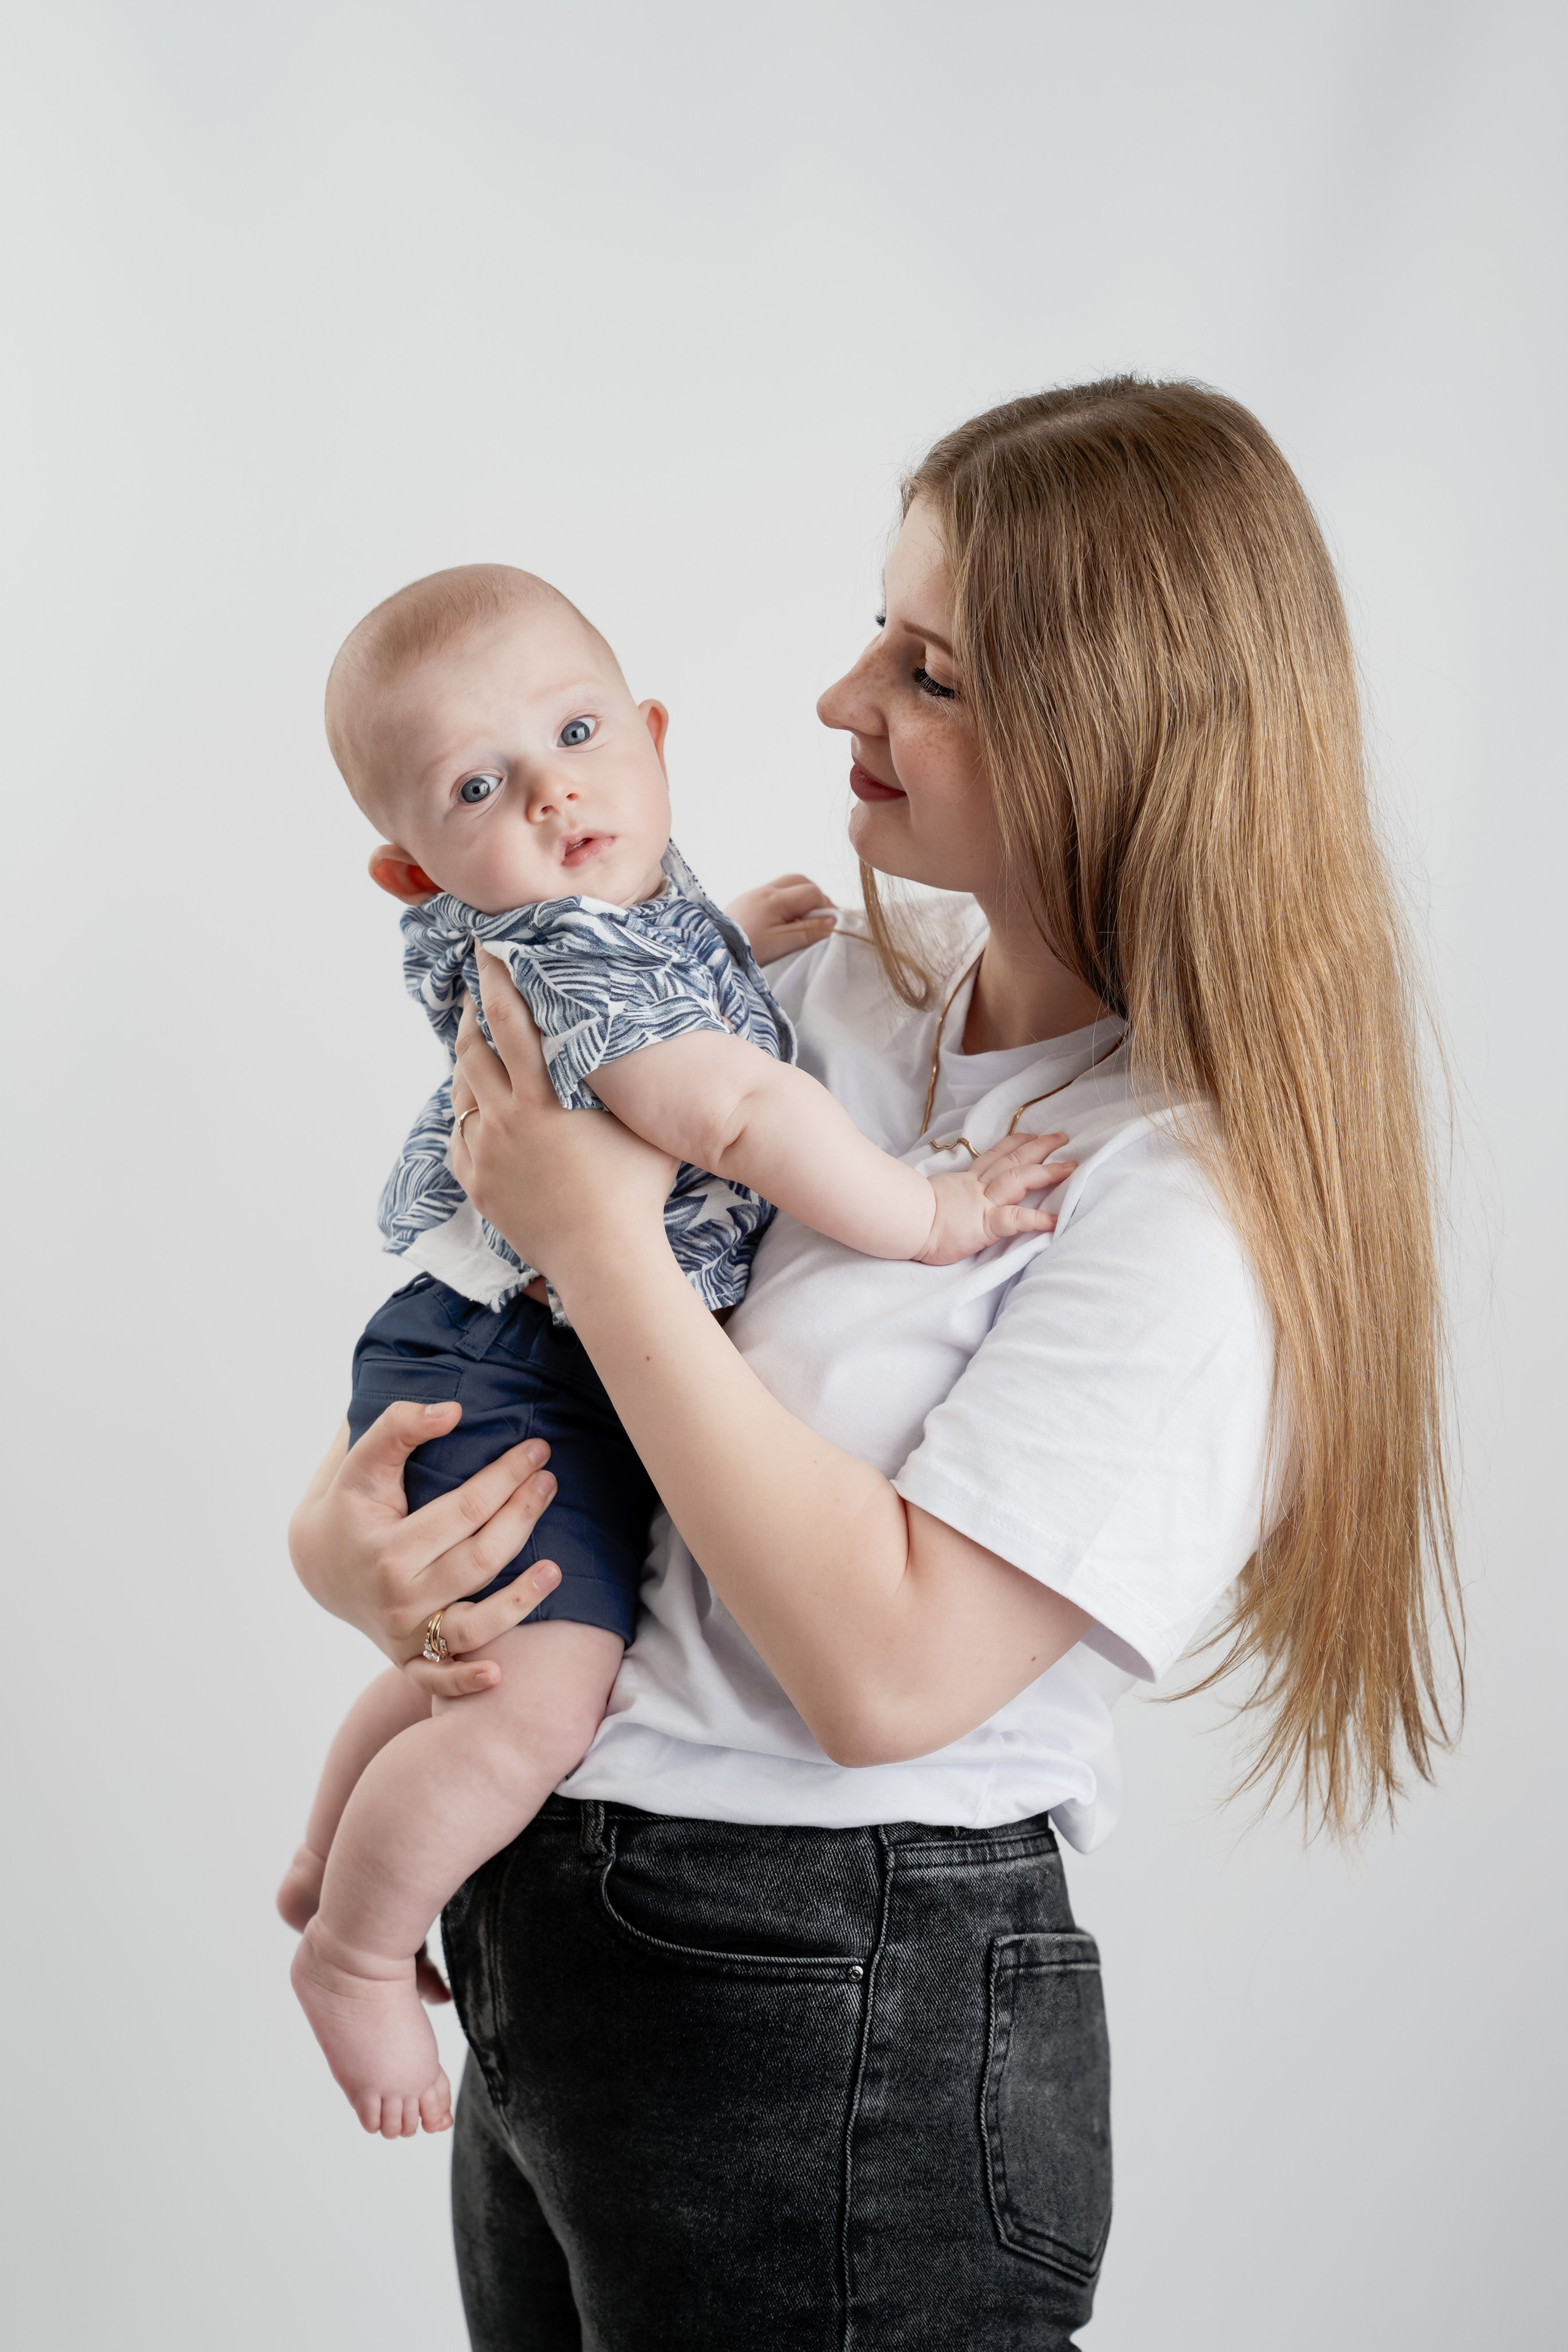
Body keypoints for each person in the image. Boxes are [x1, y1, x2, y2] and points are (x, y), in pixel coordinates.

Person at [287, 379, 1459, 2351]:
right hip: (561, 1942)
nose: (840, 700)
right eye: (873, 632)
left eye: (928, 668)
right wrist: (348, 1556)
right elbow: (524, 1362)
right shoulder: (829, 996)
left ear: (1119, 735)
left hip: (836, 1991)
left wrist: (595, 1242)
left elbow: (887, 1677)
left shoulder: (1187, 1201)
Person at [281, 565, 1073, 2136]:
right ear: (412, 867)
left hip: (497, 1336)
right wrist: (930, 1216)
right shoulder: (573, 944)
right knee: (523, 1698)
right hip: (518, 1357)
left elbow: (671, 1003)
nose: (555, 787)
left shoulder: (620, 901)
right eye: (479, 786)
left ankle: (333, 1859)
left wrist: (726, 938)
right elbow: (738, 1111)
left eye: (579, 734)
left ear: (647, 733)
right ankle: (360, 1951)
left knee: (495, 1666)